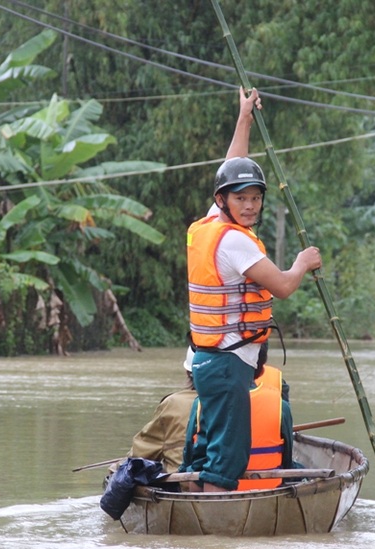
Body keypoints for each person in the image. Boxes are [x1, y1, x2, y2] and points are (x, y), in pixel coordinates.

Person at [186, 87, 322, 492]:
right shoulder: (235, 241)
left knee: (211, 447)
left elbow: (232, 165)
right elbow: (281, 286)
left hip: (208, 362)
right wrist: (303, 262)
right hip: (228, 366)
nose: (250, 206)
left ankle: (196, 514)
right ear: (223, 201)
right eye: (241, 199)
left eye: (256, 198)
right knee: (227, 459)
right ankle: (215, 540)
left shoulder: (214, 224)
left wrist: (244, 116)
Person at [180, 342, 295, 490]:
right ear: (261, 367)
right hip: (269, 488)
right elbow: (287, 460)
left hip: (215, 491)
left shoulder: (202, 403)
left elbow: (190, 456)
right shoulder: (281, 406)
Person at [112, 348, 198, 474]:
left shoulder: (172, 404)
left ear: (187, 372)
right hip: (232, 485)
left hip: (182, 484)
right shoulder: (235, 401)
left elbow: (141, 453)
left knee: (119, 472)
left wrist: (117, 467)